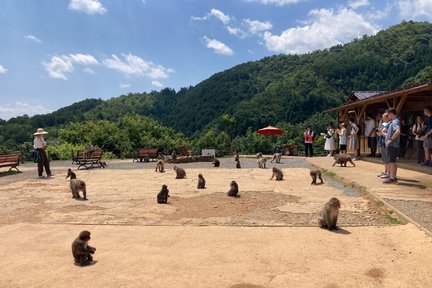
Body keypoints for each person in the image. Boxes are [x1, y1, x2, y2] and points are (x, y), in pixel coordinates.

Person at [383, 108, 400, 184]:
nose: (387, 116)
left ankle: (392, 178)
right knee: (393, 161)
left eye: (388, 114)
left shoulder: (395, 121)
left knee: (392, 162)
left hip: (393, 145)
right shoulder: (393, 122)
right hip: (393, 145)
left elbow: (398, 131)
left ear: (391, 114)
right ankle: (393, 177)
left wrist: (391, 140)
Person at [376, 113, 390, 178]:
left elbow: (388, 134)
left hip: (386, 142)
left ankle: (388, 172)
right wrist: (379, 133)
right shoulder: (383, 125)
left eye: (384, 117)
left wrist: (381, 133)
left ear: (387, 117)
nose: (382, 118)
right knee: (384, 158)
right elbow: (380, 134)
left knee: (387, 158)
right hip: (381, 142)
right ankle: (385, 171)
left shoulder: (390, 125)